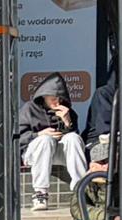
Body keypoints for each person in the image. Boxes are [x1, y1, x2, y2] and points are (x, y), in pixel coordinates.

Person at [18, 73, 88, 211]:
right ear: (43, 96)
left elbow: (74, 143)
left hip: (57, 153)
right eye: (53, 99)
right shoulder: (29, 109)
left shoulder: (68, 111)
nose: (57, 102)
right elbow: (18, 137)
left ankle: (80, 189)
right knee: (45, 140)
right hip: (34, 153)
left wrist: (67, 122)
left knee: (73, 137)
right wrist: (38, 134)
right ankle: (40, 193)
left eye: (59, 99)